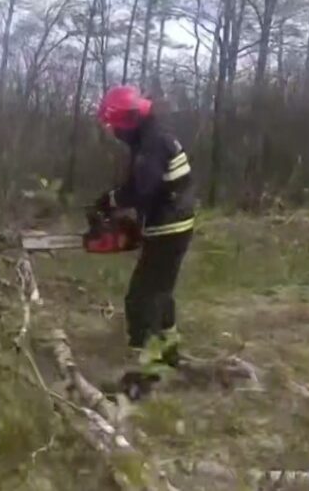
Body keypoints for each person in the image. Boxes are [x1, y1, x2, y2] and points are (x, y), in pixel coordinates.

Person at [93, 85, 195, 400]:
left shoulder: (152, 144)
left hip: (169, 224)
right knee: (161, 292)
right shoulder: (151, 136)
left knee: (141, 299)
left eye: (115, 126)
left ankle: (145, 375)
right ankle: (169, 353)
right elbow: (141, 184)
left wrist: (111, 203)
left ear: (129, 120)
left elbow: (142, 189)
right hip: (174, 221)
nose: (113, 133)